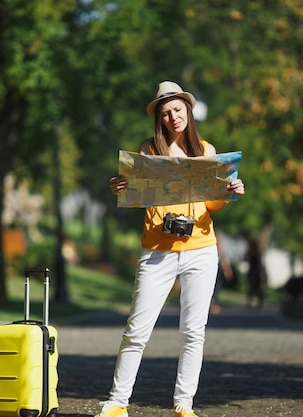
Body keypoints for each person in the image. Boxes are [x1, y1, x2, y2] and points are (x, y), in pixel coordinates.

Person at [97, 81, 245, 417]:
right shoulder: (149, 151)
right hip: (158, 251)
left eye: (178, 110)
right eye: (166, 113)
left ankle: (184, 404)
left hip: (201, 249)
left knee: (193, 331)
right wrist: (118, 185)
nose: (173, 117)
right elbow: (135, 193)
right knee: (137, 329)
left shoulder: (206, 151)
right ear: (159, 119)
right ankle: (117, 402)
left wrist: (230, 191)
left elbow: (211, 204)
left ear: (188, 111)